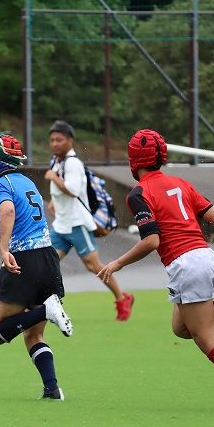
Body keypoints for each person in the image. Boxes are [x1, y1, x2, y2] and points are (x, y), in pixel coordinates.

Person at [97, 129, 214, 411]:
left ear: (133, 160)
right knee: (181, 328)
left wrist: (117, 263)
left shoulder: (139, 194)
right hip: (206, 256)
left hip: (186, 264)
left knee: (206, 338)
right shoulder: (180, 183)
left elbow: (151, 241)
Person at [0, 134, 74, 401]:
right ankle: (52, 389)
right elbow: (12, 212)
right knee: (34, 335)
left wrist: (3, 248)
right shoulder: (26, 182)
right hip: (48, 259)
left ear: (0, 161)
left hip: (23, 261)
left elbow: (7, 210)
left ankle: (47, 310)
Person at [44, 120, 134, 321]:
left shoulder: (73, 163)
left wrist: (53, 178)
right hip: (61, 225)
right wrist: (54, 202)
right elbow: (62, 190)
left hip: (77, 224)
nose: (55, 144)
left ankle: (123, 298)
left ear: (70, 140)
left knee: (93, 266)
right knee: (47, 264)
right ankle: (37, 306)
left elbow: (72, 190)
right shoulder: (56, 161)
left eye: (59, 140)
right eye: (52, 140)